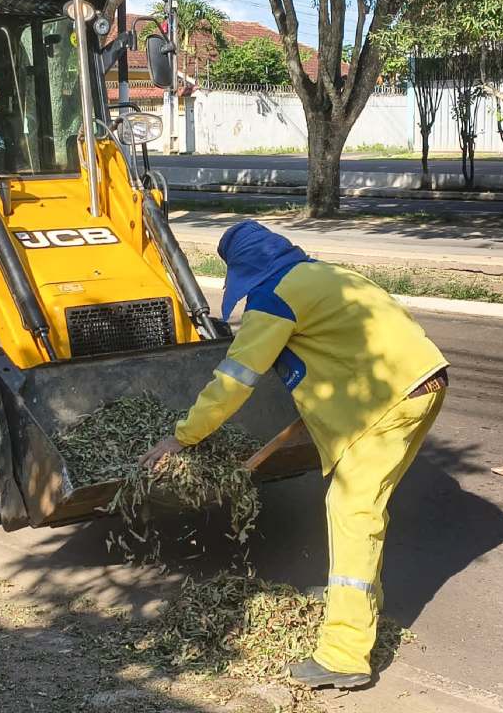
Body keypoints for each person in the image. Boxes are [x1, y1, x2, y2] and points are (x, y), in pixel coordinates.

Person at [141, 221, 449, 691]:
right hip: (424, 381)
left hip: (393, 400)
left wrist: (183, 438)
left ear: (245, 270)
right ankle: (357, 605)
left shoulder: (275, 298)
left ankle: (344, 654)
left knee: (351, 509)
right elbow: (350, 347)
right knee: (365, 505)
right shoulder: (328, 276)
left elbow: (234, 380)